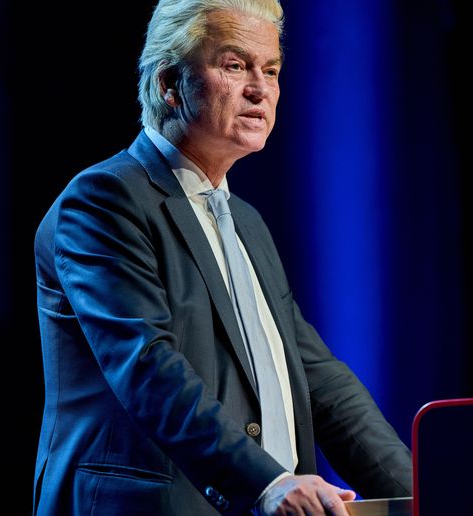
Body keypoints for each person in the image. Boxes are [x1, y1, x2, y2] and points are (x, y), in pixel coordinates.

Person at [31, 1, 412, 514]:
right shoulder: (105, 200)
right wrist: (266, 482)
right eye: (235, 65)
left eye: (271, 70)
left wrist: (425, 491)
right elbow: (146, 366)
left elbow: (320, 380)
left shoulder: (246, 222)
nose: (260, 88)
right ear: (171, 83)